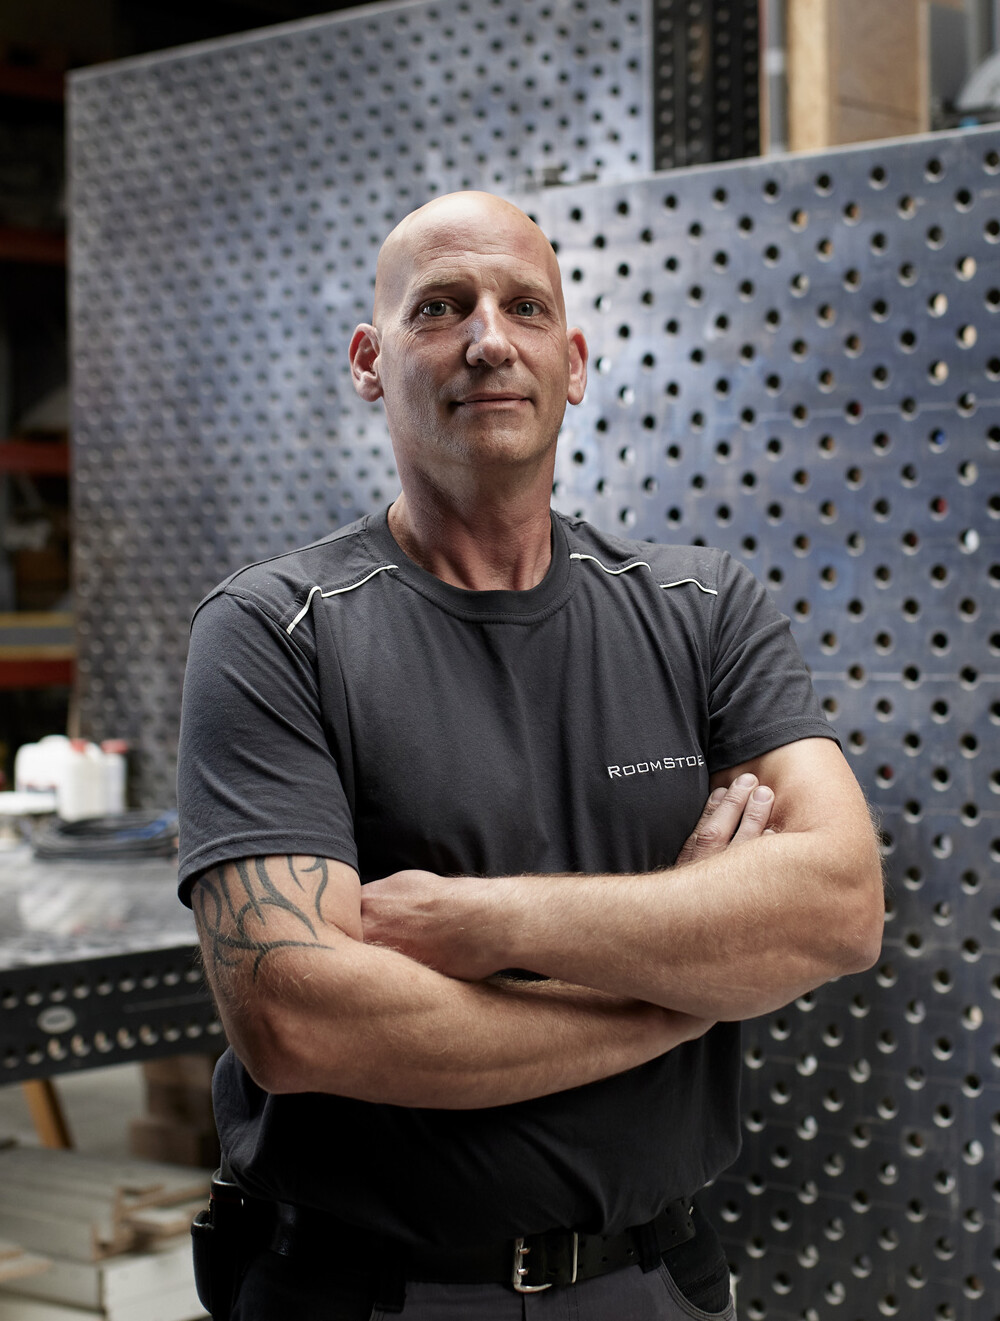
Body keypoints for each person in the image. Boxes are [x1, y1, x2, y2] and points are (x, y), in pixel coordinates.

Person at [177, 191, 884, 1320]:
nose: (488, 339)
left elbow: (839, 907)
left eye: (525, 307)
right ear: (369, 363)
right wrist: (682, 991)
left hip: (654, 1279)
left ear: (574, 363)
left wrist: (487, 922)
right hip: (369, 1292)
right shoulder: (276, 630)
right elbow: (298, 1020)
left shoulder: (703, 609)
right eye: (439, 308)